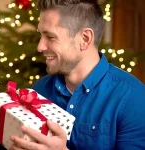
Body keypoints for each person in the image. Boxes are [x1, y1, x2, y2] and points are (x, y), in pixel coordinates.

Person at [10, 0, 145, 149]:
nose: (40, 46)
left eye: (51, 37)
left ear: (85, 39)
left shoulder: (134, 98)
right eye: (41, 35)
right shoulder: (39, 90)